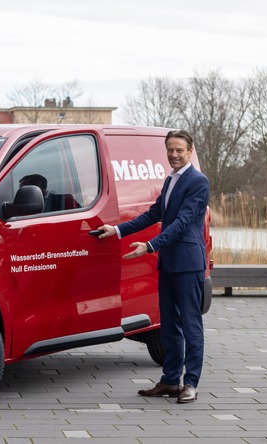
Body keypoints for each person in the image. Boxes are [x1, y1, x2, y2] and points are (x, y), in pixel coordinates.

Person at [96, 129, 209, 404]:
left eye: (179, 150)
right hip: (168, 264)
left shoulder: (198, 182)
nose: (174, 154)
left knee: (191, 327)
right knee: (169, 326)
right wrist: (118, 230)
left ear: (190, 151)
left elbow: (182, 223)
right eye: (170, 149)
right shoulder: (170, 180)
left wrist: (149, 246)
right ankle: (171, 381)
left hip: (188, 265)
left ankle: (190, 383)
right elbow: (154, 214)